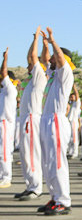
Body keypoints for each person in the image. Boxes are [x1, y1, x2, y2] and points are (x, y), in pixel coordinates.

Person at [38, 28, 75, 216]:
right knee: (47, 162)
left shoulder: (65, 73)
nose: (51, 60)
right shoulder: (52, 75)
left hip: (57, 121)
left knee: (58, 162)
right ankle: (54, 197)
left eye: (54, 57)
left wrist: (53, 41)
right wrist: (44, 44)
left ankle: (63, 200)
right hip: (46, 120)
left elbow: (59, 59)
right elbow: (46, 60)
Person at [15, 27, 48, 201]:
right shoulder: (31, 80)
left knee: (31, 153)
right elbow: (34, 58)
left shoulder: (39, 76)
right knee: (25, 153)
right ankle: (30, 185)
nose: (28, 65)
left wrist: (35, 39)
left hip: (33, 118)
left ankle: (36, 187)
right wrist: (41, 43)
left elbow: (33, 57)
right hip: (26, 118)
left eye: (31, 65)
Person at [0, 49, 18, 189]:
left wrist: (5, 59)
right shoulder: (3, 92)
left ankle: (6, 177)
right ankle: (2, 175)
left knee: (4, 151)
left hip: (6, 123)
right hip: (2, 123)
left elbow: (3, 73)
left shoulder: (10, 89)